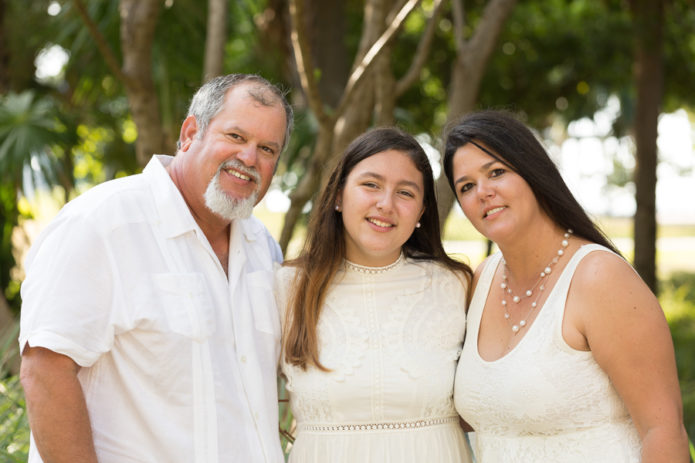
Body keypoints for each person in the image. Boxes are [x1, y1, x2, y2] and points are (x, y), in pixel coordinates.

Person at [19, 74, 293, 463]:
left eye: (267, 148)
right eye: (236, 137)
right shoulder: (103, 223)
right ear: (189, 133)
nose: (249, 158)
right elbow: (45, 372)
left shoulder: (263, 247)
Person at [443, 110, 689, 462]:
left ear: (532, 172)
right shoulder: (481, 279)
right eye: (466, 186)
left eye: (496, 172)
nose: (483, 192)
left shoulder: (599, 278)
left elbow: (662, 433)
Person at [274, 127, 475, 462]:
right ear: (338, 195)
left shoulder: (456, 285)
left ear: (423, 211)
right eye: (371, 185)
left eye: (406, 193)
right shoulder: (288, 287)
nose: (386, 204)